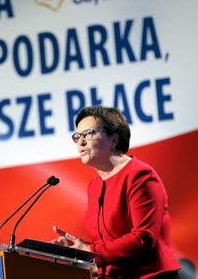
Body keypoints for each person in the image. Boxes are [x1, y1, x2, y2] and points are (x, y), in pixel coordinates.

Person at [51, 106, 180, 279]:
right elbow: (106, 243)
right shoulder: (95, 184)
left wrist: (91, 251)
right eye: (77, 136)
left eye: (88, 134)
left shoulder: (139, 175)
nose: (80, 142)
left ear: (113, 139)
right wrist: (78, 248)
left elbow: (143, 238)